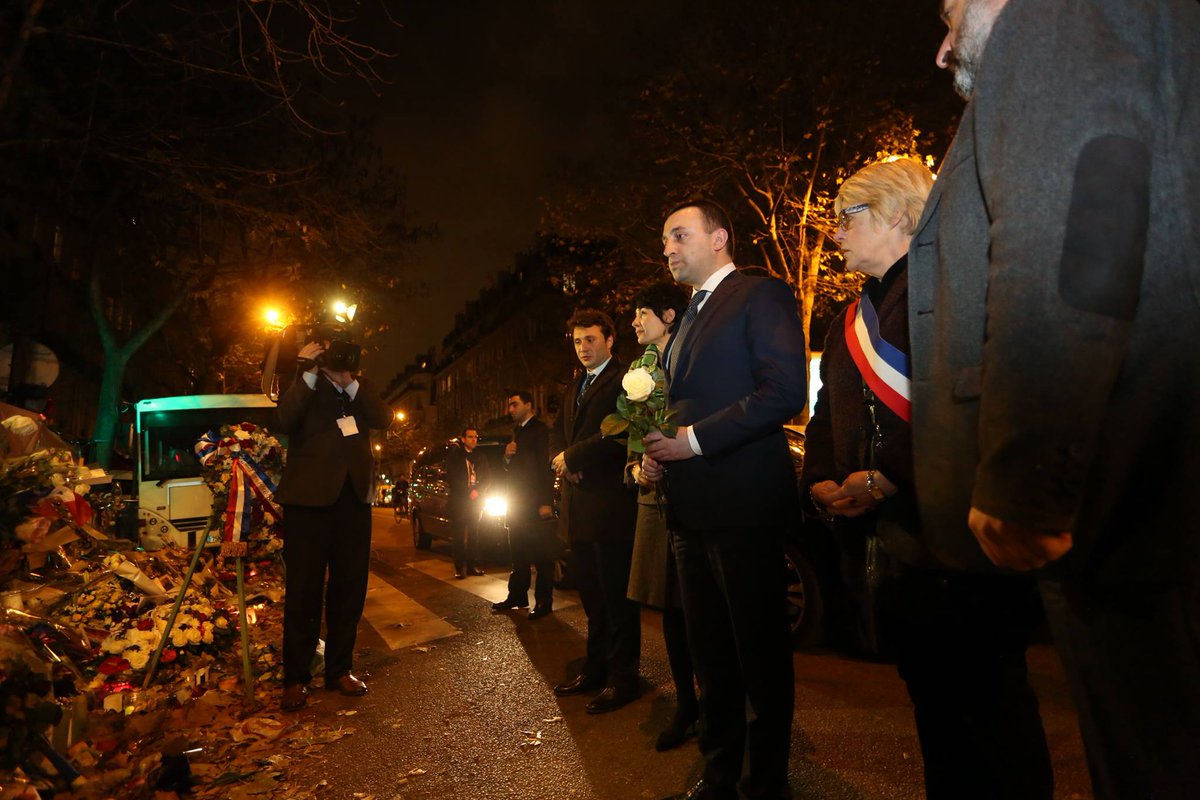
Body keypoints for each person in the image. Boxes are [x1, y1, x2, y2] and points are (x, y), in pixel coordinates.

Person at [909, 2, 1200, 798]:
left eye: (950, 14)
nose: (942, 50)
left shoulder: (1052, 18)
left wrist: (1028, 477)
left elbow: (1075, 238)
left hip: (1128, 509)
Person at [804, 157, 1052, 798]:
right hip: (894, 549)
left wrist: (886, 476)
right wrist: (821, 477)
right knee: (934, 710)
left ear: (899, 214)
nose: (836, 232)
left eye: (848, 216)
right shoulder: (846, 321)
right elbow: (826, 414)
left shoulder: (958, 291)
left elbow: (975, 402)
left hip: (960, 544)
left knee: (993, 711)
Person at [642, 200, 807, 800]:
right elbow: (681, 404)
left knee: (758, 653)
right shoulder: (688, 315)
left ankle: (764, 784)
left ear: (719, 238)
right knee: (711, 653)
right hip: (689, 511)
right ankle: (719, 777)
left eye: (678, 235)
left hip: (743, 506)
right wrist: (655, 454)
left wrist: (693, 441)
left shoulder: (760, 295)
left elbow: (784, 391)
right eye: (665, 239)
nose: (667, 248)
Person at [273, 339, 393, 712]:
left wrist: (348, 381)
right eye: (326, 350)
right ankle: (296, 677)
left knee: (349, 588)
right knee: (304, 589)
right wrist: (309, 372)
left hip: (353, 500)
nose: (335, 357)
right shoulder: (302, 380)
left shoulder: (360, 386)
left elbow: (383, 418)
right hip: (307, 502)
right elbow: (283, 421)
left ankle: (340, 668)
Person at [550, 309, 641, 714]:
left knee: (617, 598)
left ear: (609, 339)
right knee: (591, 596)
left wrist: (573, 457)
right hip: (578, 506)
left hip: (609, 506)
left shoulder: (625, 379)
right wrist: (561, 460)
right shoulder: (575, 385)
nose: (583, 347)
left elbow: (620, 433)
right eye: (577, 341)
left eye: (590, 339)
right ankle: (596, 668)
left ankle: (624, 678)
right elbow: (559, 431)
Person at [624, 282, 699, 750]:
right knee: (671, 609)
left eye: (642, 313)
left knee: (703, 609)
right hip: (656, 502)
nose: (634, 321)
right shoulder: (638, 372)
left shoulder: (694, 358)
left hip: (696, 495)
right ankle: (687, 704)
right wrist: (640, 467)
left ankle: (720, 702)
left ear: (669, 316)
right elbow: (633, 442)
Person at [492, 391, 557, 616]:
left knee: (541, 555)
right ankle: (517, 595)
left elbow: (545, 467)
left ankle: (544, 602)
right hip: (517, 502)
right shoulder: (517, 432)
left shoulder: (540, 430)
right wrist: (506, 456)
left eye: (514, 404)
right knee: (518, 553)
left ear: (529, 405)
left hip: (534, 502)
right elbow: (510, 468)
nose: (510, 409)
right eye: (510, 405)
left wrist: (545, 501)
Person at [447, 426, 490, 579]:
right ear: (463, 439)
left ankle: (472, 566)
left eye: (475, 437)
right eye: (470, 437)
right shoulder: (456, 456)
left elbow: (487, 477)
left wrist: (478, 491)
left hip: (475, 502)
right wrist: (467, 492)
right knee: (459, 535)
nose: (473, 439)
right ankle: (459, 568)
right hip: (460, 501)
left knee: (474, 534)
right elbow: (452, 478)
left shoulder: (481, 457)